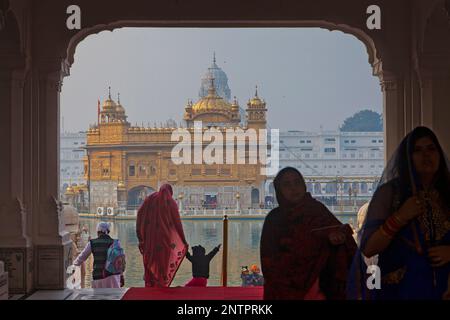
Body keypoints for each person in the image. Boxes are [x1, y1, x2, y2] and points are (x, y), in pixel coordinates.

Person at [349, 126, 450, 300]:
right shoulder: (390, 193)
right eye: (418, 150)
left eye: (431, 149)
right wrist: (400, 217)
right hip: (401, 289)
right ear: (407, 158)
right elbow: (369, 248)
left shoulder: (447, 193)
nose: (426, 155)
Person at [260, 167, 357, 300]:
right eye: (287, 184)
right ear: (279, 190)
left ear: (304, 185)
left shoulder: (317, 210)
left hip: (318, 285)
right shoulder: (274, 219)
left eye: (297, 182)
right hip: (284, 288)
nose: (293, 188)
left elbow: (338, 231)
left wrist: (337, 238)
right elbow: (268, 261)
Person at [136, 183, 188, 287]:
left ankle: (150, 284)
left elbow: (140, 215)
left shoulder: (149, 200)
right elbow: (177, 224)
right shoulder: (170, 202)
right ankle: (161, 284)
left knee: (150, 261)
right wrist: (183, 240)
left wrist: (141, 236)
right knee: (163, 263)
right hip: (165, 241)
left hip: (150, 240)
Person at [73, 222, 124, 288]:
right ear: (108, 232)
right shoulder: (116, 242)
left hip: (98, 277)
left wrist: (73, 265)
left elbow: (81, 258)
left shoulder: (92, 243)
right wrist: (121, 276)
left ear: (98, 232)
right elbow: (120, 262)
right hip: (113, 278)